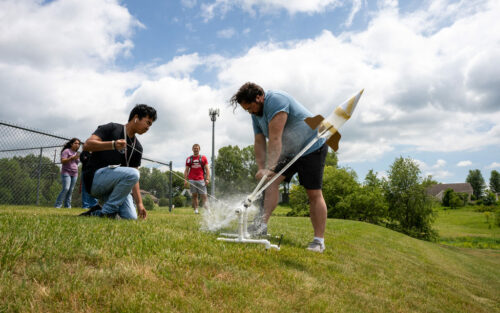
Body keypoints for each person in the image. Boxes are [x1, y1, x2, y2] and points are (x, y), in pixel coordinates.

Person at [230, 82, 328, 253]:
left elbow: (275, 139)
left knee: (313, 193)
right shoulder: (255, 115)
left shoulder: (276, 100)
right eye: (246, 110)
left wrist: (270, 167)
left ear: (259, 97)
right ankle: (261, 226)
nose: (250, 112)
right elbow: (259, 141)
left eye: (250, 107)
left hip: (311, 146)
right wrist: (262, 168)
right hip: (289, 150)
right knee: (269, 183)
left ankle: (318, 241)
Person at [79, 104, 157, 219]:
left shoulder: (138, 147)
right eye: (148, 122)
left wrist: (140, 204)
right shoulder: (112, 128)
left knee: (131, 218)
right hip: (95, 180)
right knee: (133, 173)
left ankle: (96, 212)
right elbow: (87, 145)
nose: (148, 127)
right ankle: (107, 212)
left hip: (115, 187)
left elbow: (134, 180)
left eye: (150, 125)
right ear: (136, 117)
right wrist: (113, 144)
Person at [55, 138, 81, 208]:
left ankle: (68, 206)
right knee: (66, 188)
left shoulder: (77, 153)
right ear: (71, 144)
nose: (77, 145)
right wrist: (72, 158)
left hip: (75, 174)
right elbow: (62, 161)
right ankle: (58, 205)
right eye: (75, 143)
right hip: (66, 172)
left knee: (71, 190)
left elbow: (76, 163)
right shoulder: (66, 151)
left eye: (78, 144)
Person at [184, 144, 210, 214]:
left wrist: (207, 179)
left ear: (199, 149)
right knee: (194, 195)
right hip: (192, 180)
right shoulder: (189, 159)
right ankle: (196, 210)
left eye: (197, 148)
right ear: (192, 149)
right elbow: (186, 170)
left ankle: (207, 210)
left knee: (204, 196)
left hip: (201, 180)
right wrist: (185, 180)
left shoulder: (203, 158)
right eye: (194, 148)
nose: (196, 149)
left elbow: (207, 169)